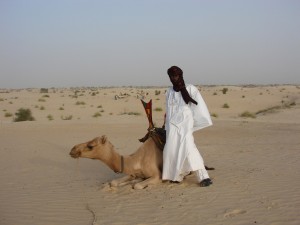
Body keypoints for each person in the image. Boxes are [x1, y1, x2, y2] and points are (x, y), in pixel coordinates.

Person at [162, 66, 213, 187]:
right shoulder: (169, 92)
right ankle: (177, 175)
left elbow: (197, 107)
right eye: (171, 76)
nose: (173, 78)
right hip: (172, 126)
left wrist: (196, 122)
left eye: (176, 76)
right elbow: (168, 109)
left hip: (185, 124)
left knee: (189, 148)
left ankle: (203, 176)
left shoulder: (190, 88)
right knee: (172, 149)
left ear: (180, 76)